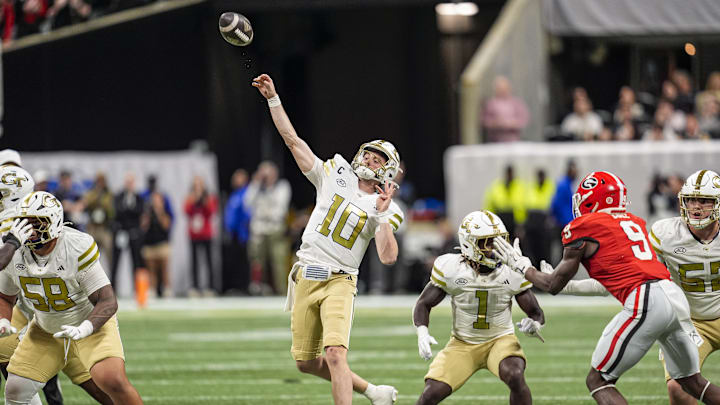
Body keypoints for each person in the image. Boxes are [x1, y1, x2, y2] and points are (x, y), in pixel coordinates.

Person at [493, 170, 720, 405]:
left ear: (592, 200)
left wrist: (522, 267)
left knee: (598, 380)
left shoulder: (584, 226)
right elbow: (611, 282)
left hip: (646, 301)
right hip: (674, 298)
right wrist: (556, 282)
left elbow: (551, 286)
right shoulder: (634, 223)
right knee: (692, 382)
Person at [253, 73, 402, 405]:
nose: (368, 160)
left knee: (335, 353)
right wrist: (273, 99)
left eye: (377, 160)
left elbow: (388, 257)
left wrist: (381, 215)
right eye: (368, 155)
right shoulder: (334, 173)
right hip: (307, 272)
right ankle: (373, 391)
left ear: (387, 172)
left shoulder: (381, 207)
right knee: (305, 363)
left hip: (340, 280)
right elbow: (293, 141)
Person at [0, 191, 142, 404]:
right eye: (24, 222)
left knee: (111, 380)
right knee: (16, 389)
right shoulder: (14, 251)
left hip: (89, 324)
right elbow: (5, 297)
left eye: (36, 223)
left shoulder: (75, 246)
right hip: (46, 329)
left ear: (55, 222)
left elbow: (107, 300)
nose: (29, 229)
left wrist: (85, 327)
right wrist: (3, 318)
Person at [0, 152, 109, 405]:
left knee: (95, 382)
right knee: (17, 380)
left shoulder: (24, 223)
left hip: (62, 310)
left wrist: (14, 242)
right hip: (35, 308)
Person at [412, 210, 543, 405]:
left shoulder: (512, 269)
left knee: (515, 375)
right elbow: (424, 303)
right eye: (488, 242)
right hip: (463, 344)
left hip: (500, 340)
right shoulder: (452, 269)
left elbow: (535, 312)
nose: (496, 248)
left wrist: (535, 324)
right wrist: (422, 332)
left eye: (499, 241)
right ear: (469, 243)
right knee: (430, 394)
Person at [650, 169, 720, 405]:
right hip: (690, 322)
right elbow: (641, 275)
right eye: (691, 200)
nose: (696, 206)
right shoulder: (666, 234)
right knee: (679, 388)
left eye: (704, 200)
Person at [244, 161, 291, 295]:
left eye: (268, 174)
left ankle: (282, 292)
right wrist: (256, 183)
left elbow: (280, 211)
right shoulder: (257, 188)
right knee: (257, 261)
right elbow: (247, 203)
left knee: (279, 261)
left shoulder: (282, 187)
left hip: (275, 229)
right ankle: (258, 290)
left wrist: (264, 212)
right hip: (259, 230)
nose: (266, 177)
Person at [184, 176, 218, 296]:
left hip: (206, 234)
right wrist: (194, 199)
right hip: (194, 234)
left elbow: (212, 211)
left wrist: (203, 199)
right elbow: (186, 210)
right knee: (194, 262)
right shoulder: (190, 197)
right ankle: (195, 287)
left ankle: (211, 287)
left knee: (209, 261)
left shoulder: (209, 197)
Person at [110, 173, 145, 292]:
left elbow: (139, 212)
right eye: (127, 182)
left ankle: (138, 289)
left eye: (131, 182)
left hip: (133, 232)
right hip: (121, 232)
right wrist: (129, 211)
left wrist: (128, 210)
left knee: (136, 261)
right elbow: (118, 211)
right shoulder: (119, 196)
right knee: (115, 262)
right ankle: (113, 288)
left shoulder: (138, 198)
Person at [481, 76, 529, 143]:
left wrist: (511, 123)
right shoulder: (491, 104)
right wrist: (496, 123)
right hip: (495, 141)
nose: (502, 91)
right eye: (500, 89)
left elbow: (523, 119)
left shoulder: (516, 103)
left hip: (513, 141)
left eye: (504, 88)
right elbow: (485, 120)